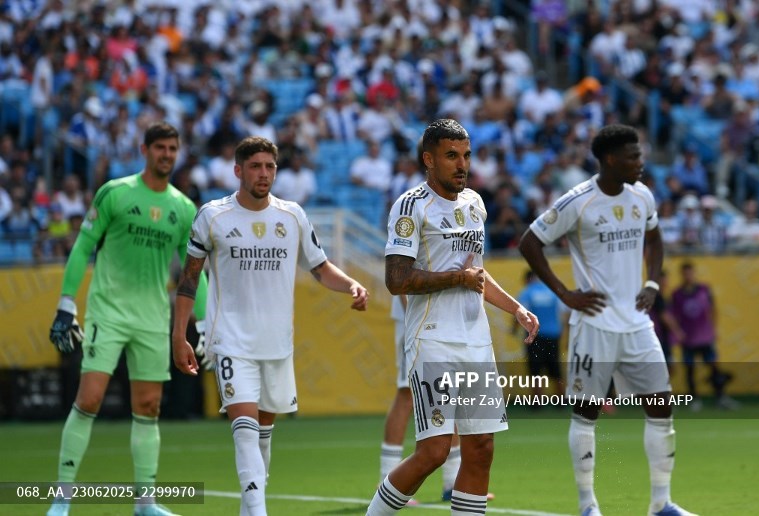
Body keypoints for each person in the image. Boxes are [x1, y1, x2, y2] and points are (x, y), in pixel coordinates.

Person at [170, 136, 369, 516]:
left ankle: (250, 509)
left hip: (277, 342)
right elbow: (189, 281)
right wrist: (180, 336)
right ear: (238, 170)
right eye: (256, 166)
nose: (264, 174)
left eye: (270, 167)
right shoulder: (212, 216)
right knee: (244, 427)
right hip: (229, 339)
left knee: (263, 434)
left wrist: (351, 285)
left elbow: (320, 267)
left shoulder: (292, 215)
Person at [519, 124, 697, 516]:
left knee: (662, 407)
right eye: (633, 156)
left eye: (641, 155)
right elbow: (529, 242)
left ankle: (661, 503)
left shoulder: (643, 195)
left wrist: (651, 282)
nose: (641, 162)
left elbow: (655, 236)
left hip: (636, 323)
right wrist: (565, 294)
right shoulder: (577, 202)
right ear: (610, 159)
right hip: (594, 324)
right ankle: (588, 505)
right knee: (586, 413)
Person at [366, 119, 540, 515]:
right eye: (451, 156)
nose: (461, 164)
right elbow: (397, 279)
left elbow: (476, 273)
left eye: (466, 156)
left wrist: (515, 306)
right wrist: (458, 278)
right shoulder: (411, 206)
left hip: (475, 340)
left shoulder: (475, 204)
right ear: (428, 159)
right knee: (434, 451)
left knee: (481, 447)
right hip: (432, 339)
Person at [47, 122, 207, 516]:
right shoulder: (115, 193)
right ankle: (61, 499)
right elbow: (84, 245)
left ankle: (145, 503)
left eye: (172, 148)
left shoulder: (183, 208)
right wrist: (67, 302)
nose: (167, 154)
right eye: (160, 148)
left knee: (149, 406)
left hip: (153, 318)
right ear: (144, 150)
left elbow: (191, 273)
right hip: (109, 312)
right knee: (89, 398)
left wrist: (201, 323)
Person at [379, 295, 462, 505]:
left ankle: (453, 483)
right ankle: (388, 480)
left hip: (444, 320)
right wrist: (415, 315)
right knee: (407, 391)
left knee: (447, 392)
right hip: (417, 319)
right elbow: (400, 271)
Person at [669, 262, 738, 411]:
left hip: (705, 336)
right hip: (688, 338)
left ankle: (720, 397)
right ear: (682, 274)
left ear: (694, 273)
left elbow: (713, 309)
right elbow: (672, 315)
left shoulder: (704, 290)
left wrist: (713, 329)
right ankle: (694, 399)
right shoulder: (677, 294)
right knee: (690, 369)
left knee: (713, 367)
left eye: (691, 272)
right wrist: (677, 332)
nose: (688, 276)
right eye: (685, 273)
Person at [515, 270, 566, 402]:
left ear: (527, 280)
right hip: (553, 335)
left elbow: (520, 313)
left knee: (535, 369)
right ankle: (561, 399)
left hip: (535, 336)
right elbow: (564, 312)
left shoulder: (527, 292)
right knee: (555, 368)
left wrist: (513, 329)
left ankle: (537, 401)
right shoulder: (552, 292)